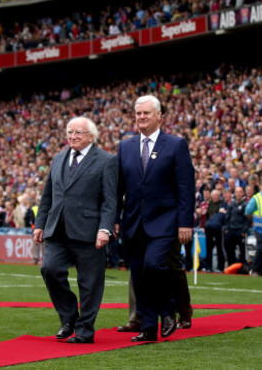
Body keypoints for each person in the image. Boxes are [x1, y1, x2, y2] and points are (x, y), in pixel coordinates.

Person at [116, 95, 195, 342]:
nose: (141, 117)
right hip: (133, 222)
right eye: (138, 114)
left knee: (154, 266)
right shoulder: (125, 147)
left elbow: (186, 188)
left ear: (160, 116)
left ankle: (167, 310)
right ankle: (149, 327)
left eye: (146, 113)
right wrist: (115, 219)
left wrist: (185, 223)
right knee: (139, 274)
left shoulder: (176, 145)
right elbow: (118, 189)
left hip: (165, 221)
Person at [33, 116, 118, 344]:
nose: (73, 136)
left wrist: (105, 229)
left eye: (78, 132)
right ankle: (69, 317)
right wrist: (39, 224)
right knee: (49, 270)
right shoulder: (58, 158)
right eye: (70, 132)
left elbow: (110, 201)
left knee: (89, 283)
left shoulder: (106, 161)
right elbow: (48, 196)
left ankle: (84, 331)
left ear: (91, 136)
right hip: (57, 229)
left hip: (90, 231)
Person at [223, 186, 250, 266]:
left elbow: (247, 219)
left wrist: (244, 230)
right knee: (229, 247)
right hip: (231, 229)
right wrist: (226, 228)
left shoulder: (246, 204)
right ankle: (231, 264)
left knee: (242, 249)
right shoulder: (232, 204)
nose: (238, 194)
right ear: (234, 193)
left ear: (243, 193)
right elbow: (227, 216)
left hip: (240, 229)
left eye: (240, 192)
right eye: (237, 192)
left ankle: (242, 266)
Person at [203, 189, 227, 272]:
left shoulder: (222, 204)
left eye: (217, 195)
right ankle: (208, 266)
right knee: (208, 247)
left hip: (218, 228)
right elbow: (207, 215)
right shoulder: (211, 204)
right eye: (214, 196)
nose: (215, 197)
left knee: (219, 247)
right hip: (209, 228)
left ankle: (220, 267)